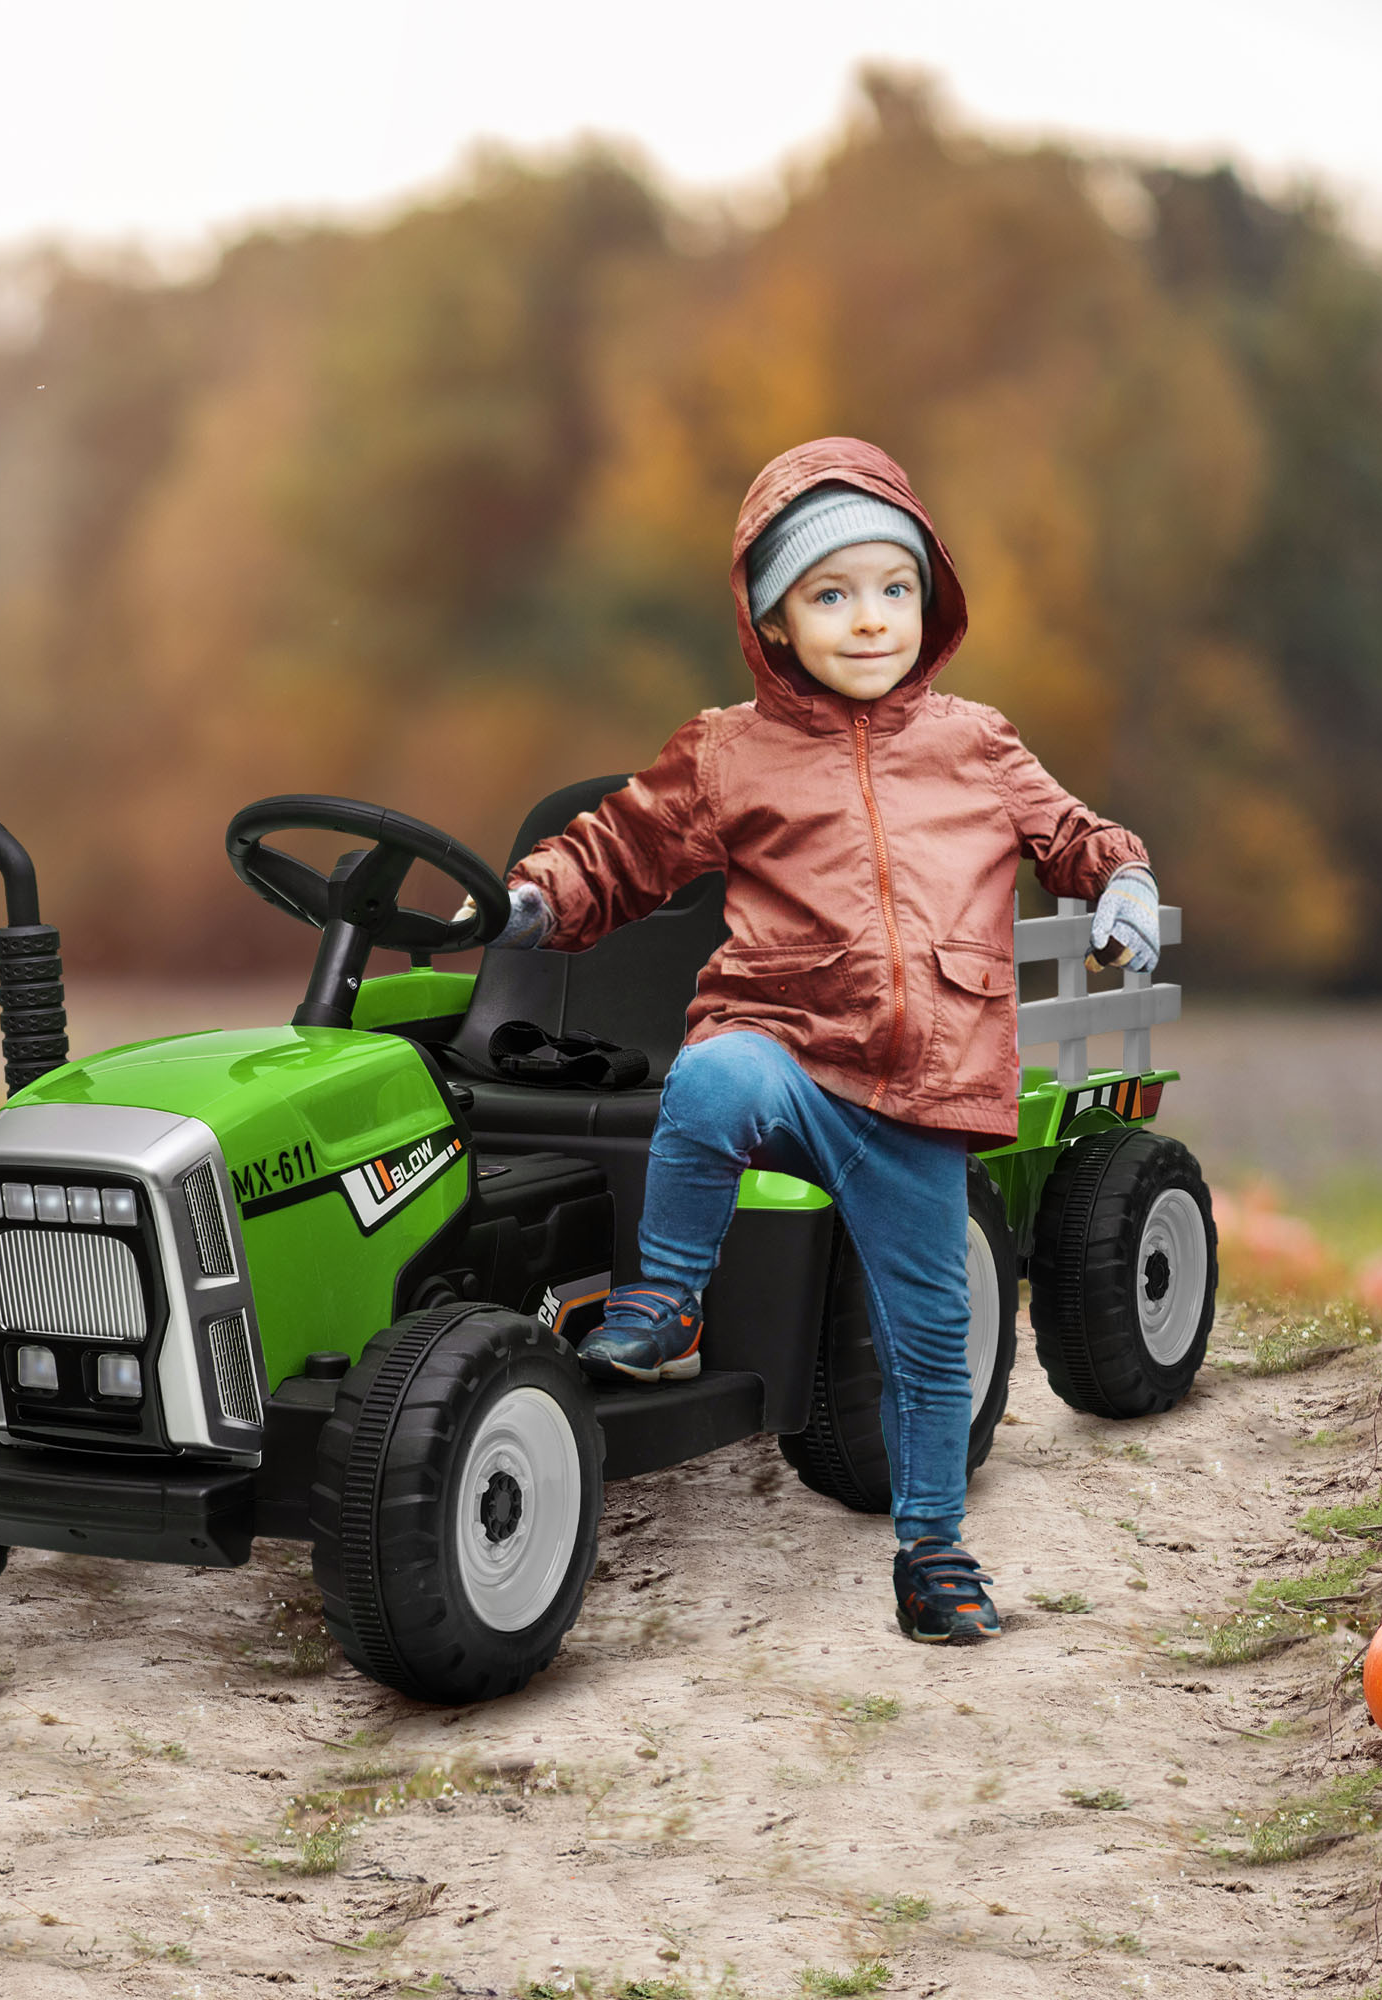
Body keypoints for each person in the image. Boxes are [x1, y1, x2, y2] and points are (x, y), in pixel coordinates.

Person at [479, 438, 1159, 1643]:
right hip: (787, 1041)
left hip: (926, 1085)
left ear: (928, 599)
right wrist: (535, 896)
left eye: (892, 589)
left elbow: (1073, 833)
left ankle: (933, 1550)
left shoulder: (976, 742)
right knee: (710, 1076)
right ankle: (669, 1303)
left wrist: (1115, 881)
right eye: (829, 595)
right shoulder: (726, 750)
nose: (867, 619)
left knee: (931, 1335)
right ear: (773, 620)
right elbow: (617, 850)